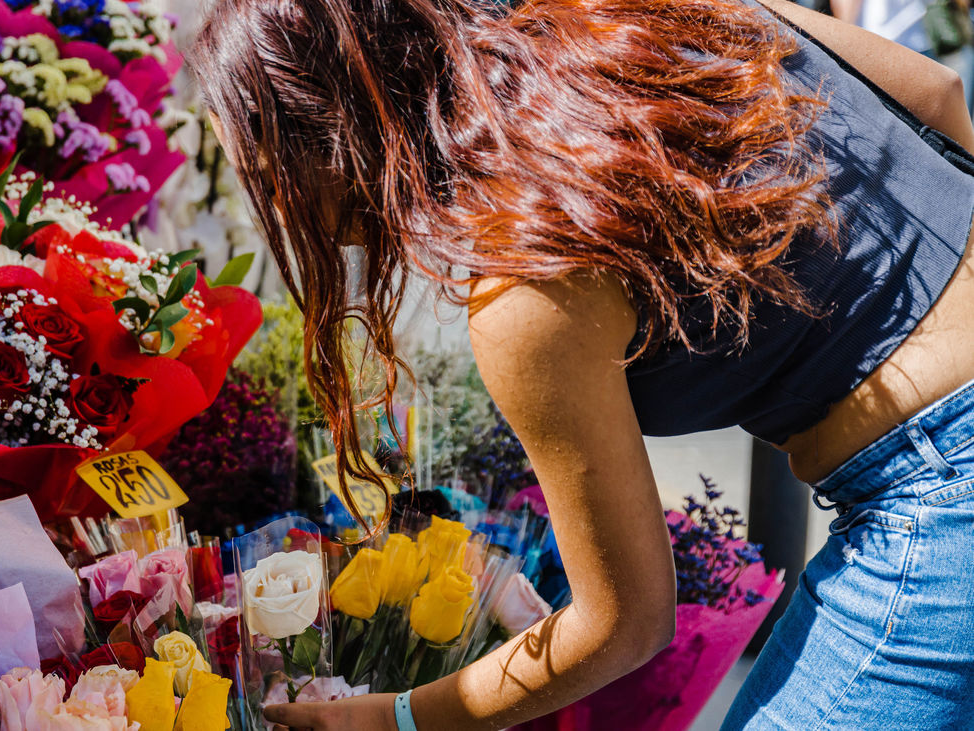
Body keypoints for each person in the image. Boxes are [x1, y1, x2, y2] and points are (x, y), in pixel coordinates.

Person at [190, 0, 974, 726]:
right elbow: (934, 95)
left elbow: (625, 622)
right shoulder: (639, 16)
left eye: (271, 179)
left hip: (941, 489)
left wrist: (398, 717)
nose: (284, 210)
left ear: (334, 141)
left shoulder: (526, 282)